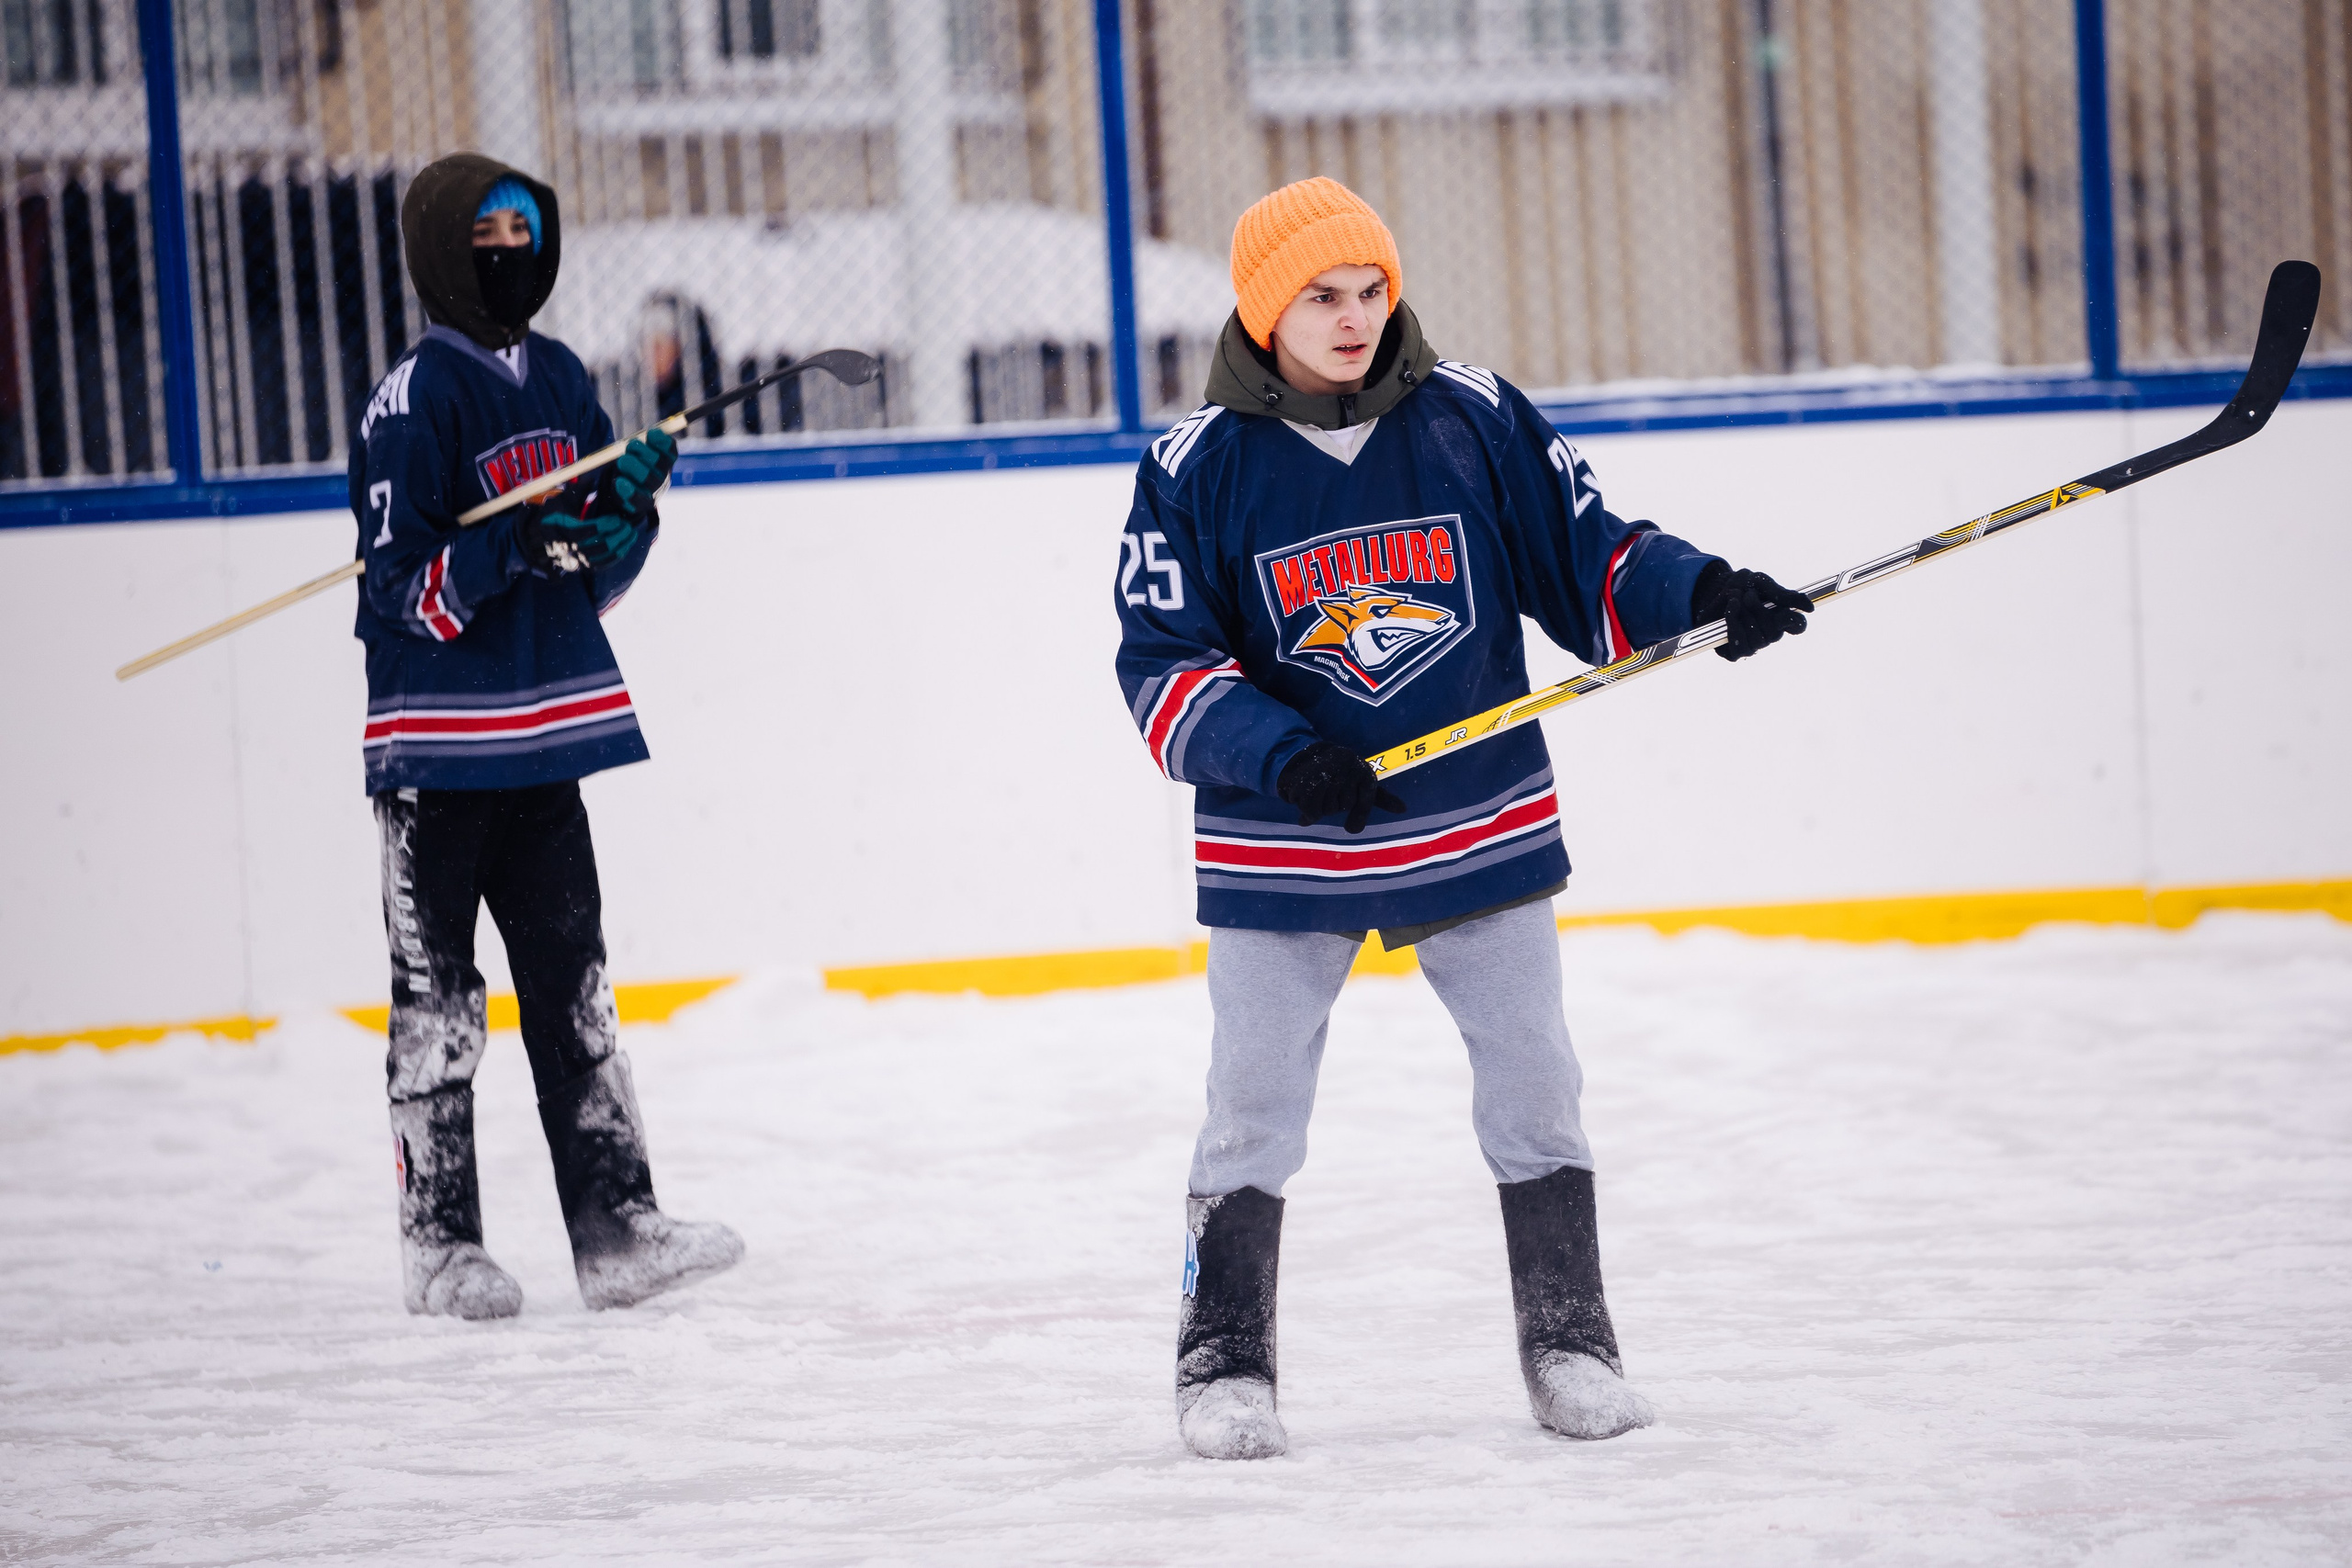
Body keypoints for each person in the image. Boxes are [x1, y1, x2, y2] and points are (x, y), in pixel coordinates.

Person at [1114, 178, 1815, 1459]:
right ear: (1264, 308)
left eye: (1371, 289)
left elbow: (1589, 553)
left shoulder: (1474, 417)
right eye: (1321, 296)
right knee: (1253, 1100)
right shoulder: (1192, 468)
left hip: (1473, 818)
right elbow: (1160, 668)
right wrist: (1285, 755)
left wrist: (1703, 593)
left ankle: (1571, 1340)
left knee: (1538, 1081)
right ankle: (1222, 1358)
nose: (1354, 317)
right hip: (1290, 842)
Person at [351, 153, 741, 1320]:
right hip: (439, 755)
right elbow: (402, 595)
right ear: (438, 250)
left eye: (527, 229)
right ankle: (440, 1245)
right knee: (441, 1002)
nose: (511, 250)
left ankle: (616, 1226)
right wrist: (505, 546)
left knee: (576, 993)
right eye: (487, 233)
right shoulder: (413, 402)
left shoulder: (565, 377)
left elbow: (590, 583)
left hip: (550, 738)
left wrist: (625, 516)